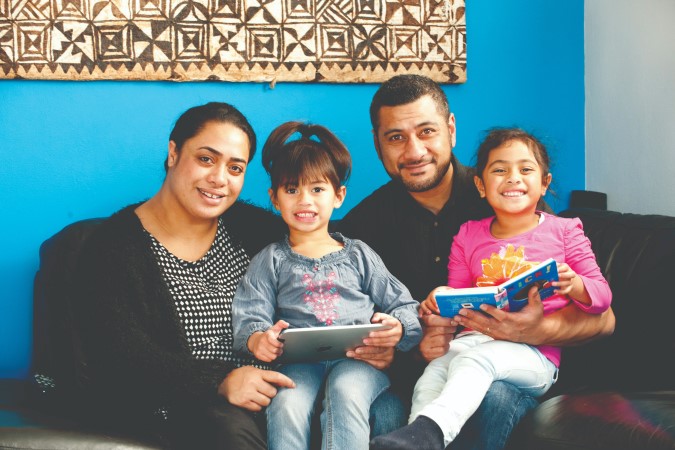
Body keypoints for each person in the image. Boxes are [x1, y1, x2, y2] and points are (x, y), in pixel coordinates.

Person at [338, 74, 616, 449]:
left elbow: (604, 318)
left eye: (426, 131)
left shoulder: (509, 193)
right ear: (377, 143)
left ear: (451, 129)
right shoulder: (361, 227)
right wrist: (407, 343)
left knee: (494, 396)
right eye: (395, 137)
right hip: (427, 369)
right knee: (385, 412)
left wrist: (533, 331)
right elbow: (358, 332)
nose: (414, 151)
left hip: (508, 369)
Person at [73, 102, 296, 449]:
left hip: (273, 393)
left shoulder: (256, 230)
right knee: (229, 432)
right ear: (173, 153)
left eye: (235, 168)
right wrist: (220, 381)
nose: (219, 179)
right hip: (183, 408)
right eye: (206, 159)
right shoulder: (114, 247)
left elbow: (326, 255)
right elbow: (120, 354)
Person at [232, 121, 422, 450]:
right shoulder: (271, 259)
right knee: (287, 402)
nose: (304, 200)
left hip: (359, 360)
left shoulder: (359, 254)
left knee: (347, 390)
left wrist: (398, 329)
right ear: (274, 199)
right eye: (292, 190)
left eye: (317, 189)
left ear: (339, 196)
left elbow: (405, 306)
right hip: (299, 364)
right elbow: (250, 312)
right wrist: (257, 339)